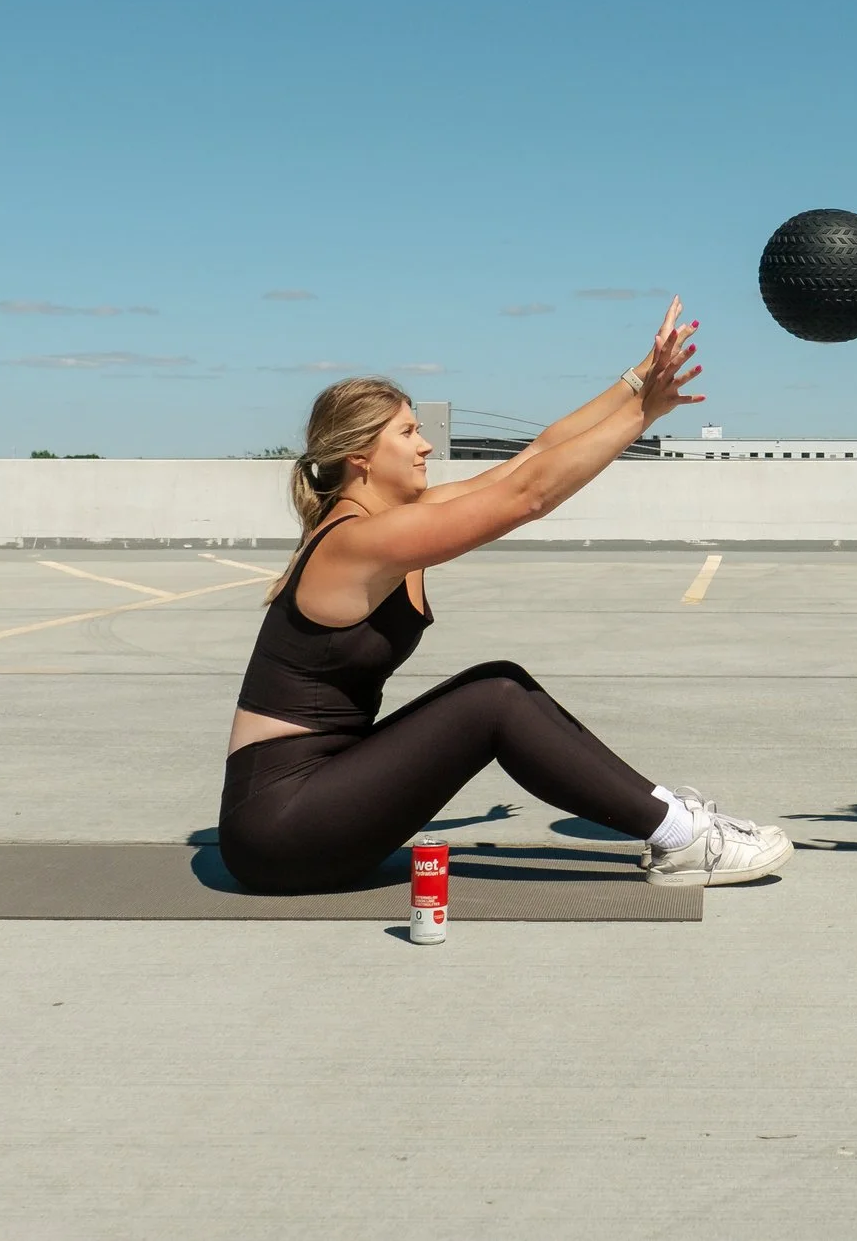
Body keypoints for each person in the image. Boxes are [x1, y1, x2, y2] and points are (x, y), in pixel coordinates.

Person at [218, 299, 792, 895]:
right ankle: (682, 836)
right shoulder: (357, 540)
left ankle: (672, 818)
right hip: (277, 825)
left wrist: (636, 382)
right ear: (359, 455)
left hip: (317, 796)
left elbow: (534, 458)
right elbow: (528, 495)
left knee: (500, 680)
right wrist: (641, 415)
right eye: (408, 433)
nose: (425, 447)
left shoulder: (392, 521)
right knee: (491, 700)